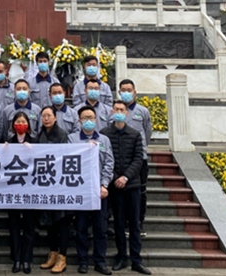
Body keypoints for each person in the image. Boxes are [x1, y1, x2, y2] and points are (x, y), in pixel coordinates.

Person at [101, 102, 151, 275]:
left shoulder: (135, 134)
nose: (119, 113)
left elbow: (139, 159)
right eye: (116, 110)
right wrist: (115, 177)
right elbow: (104, 159)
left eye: (122, 110)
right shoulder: (104, 134)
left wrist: (126, 177)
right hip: (115, 186)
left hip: (132, 185)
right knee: (119, 223)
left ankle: (136, 259)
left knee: (134, 224)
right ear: (112, 112)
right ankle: (122, 256)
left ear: (127, 114)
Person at [69, 106, 114, 275]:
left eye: (91, 118)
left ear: (96, 120)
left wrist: (104, 185)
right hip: (81, 190)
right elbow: (68, 161)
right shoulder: (72, 139)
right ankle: (83, 261)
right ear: (79, 121)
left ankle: (100, 261)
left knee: (100, 228)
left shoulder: (104, 140)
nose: (88, 121)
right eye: (85, 118)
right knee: (81, 228)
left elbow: (109, 163)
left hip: (99, 191)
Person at [116, 79, 152, 237]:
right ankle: (123, 222)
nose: (126, 92)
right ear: (119, 92)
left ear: (135, 92)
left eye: (129, 90)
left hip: (139, 159)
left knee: (141, 192)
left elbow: (147, 132)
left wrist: (141, 149)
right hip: (121, 159)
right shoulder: (116, 112)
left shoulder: (143, 111)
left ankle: (138, 222)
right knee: (122, 192)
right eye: (123, 90)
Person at [37, 109, 70, 274]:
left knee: (61, 221)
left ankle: (62, 257)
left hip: (59, 184)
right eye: (43, 116)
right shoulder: (39, 135)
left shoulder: (62, 135)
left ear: (55, 118)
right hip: (44, 184)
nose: (46, 118)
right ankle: (53, 252)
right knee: (49, 221)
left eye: (49, 115)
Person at [4, 111, 35, 274]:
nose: (21, 125)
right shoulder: (9, 142)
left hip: (30, 191)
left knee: (29, 227)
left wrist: (33, 151)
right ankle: (16, 259)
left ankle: (27, 260)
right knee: (14, 227)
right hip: (14, 189)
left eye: (24, 122)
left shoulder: (35, 142)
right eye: (18, 122)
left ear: (28, 124)